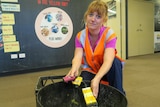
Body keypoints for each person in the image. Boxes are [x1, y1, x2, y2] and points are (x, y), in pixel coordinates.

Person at [66, 0, 125, 98]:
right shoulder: (80, 36)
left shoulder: (109, 34)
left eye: (98, 16)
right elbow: (77, 57)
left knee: (115, 62)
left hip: (107, 69)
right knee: (83, 90)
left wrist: (97, 78)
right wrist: (74, 68)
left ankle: (119, 95)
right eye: (91, 14)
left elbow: (108, 61)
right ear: (86, 16)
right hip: (91, 69)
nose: (93, 19)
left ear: (104, 20)